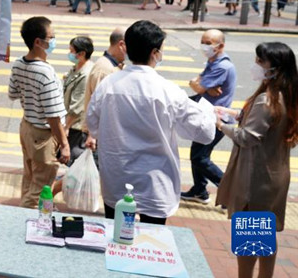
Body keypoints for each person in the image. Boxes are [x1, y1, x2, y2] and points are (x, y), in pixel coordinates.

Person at [87, 20, 215, 224]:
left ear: (127, 48)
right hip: (155, 183)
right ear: (155, 52)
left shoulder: (108, 85)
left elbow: (93, 125)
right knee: (153, 239)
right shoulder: (167, 90)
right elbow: (204, 133)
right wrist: (208, 110)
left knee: (115, 235)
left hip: (117, 178)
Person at [215, 42, 298, 278]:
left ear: (275, 68)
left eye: (261, 61)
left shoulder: (266, 100)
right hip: (274, 176)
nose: (256, 65)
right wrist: (234, 115)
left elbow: (247, 137)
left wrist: (220, 125)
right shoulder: (286, 96)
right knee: (264, 235)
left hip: (256, 177)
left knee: (250, 238)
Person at [8, 16, 70, 208]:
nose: (54, 41)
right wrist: (64, 144)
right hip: (43, 136)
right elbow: (53, 116)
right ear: (38, 42)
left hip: (27, 128)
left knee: (29, 179)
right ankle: (27, 218)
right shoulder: (45, 73)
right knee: (39, 191)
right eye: (51, 37)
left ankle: (25, 213)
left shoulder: (18, 64)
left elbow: (13, 93)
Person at [181, 29, 237, 204]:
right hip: (206, 114)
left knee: (200, 158)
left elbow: (198, 85)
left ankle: (230, 190)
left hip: (216, 119)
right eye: (202, 42)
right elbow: (201, 83)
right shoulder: (213, 62)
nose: (204, 46)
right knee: (197, 155)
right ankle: (200, 190)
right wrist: (203, 87)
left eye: (208, 43)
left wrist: (197, 85)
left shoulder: (222, 66)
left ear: (220, 46)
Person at [52, 36, 95, 196]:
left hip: (76, 126)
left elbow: (77, 107)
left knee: (75, 162)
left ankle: (55, 190)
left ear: (81, 53)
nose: (69, 54)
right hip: (69, 122)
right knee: (72, 162)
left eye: (72, 51)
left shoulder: (86, 74)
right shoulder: (76, 69)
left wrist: (66, 127)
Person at [82, 28, 127, 166]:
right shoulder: (105, 69)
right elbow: (98, 105)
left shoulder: (115, 66)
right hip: (99, 138)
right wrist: (92, 135)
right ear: (121, 44)